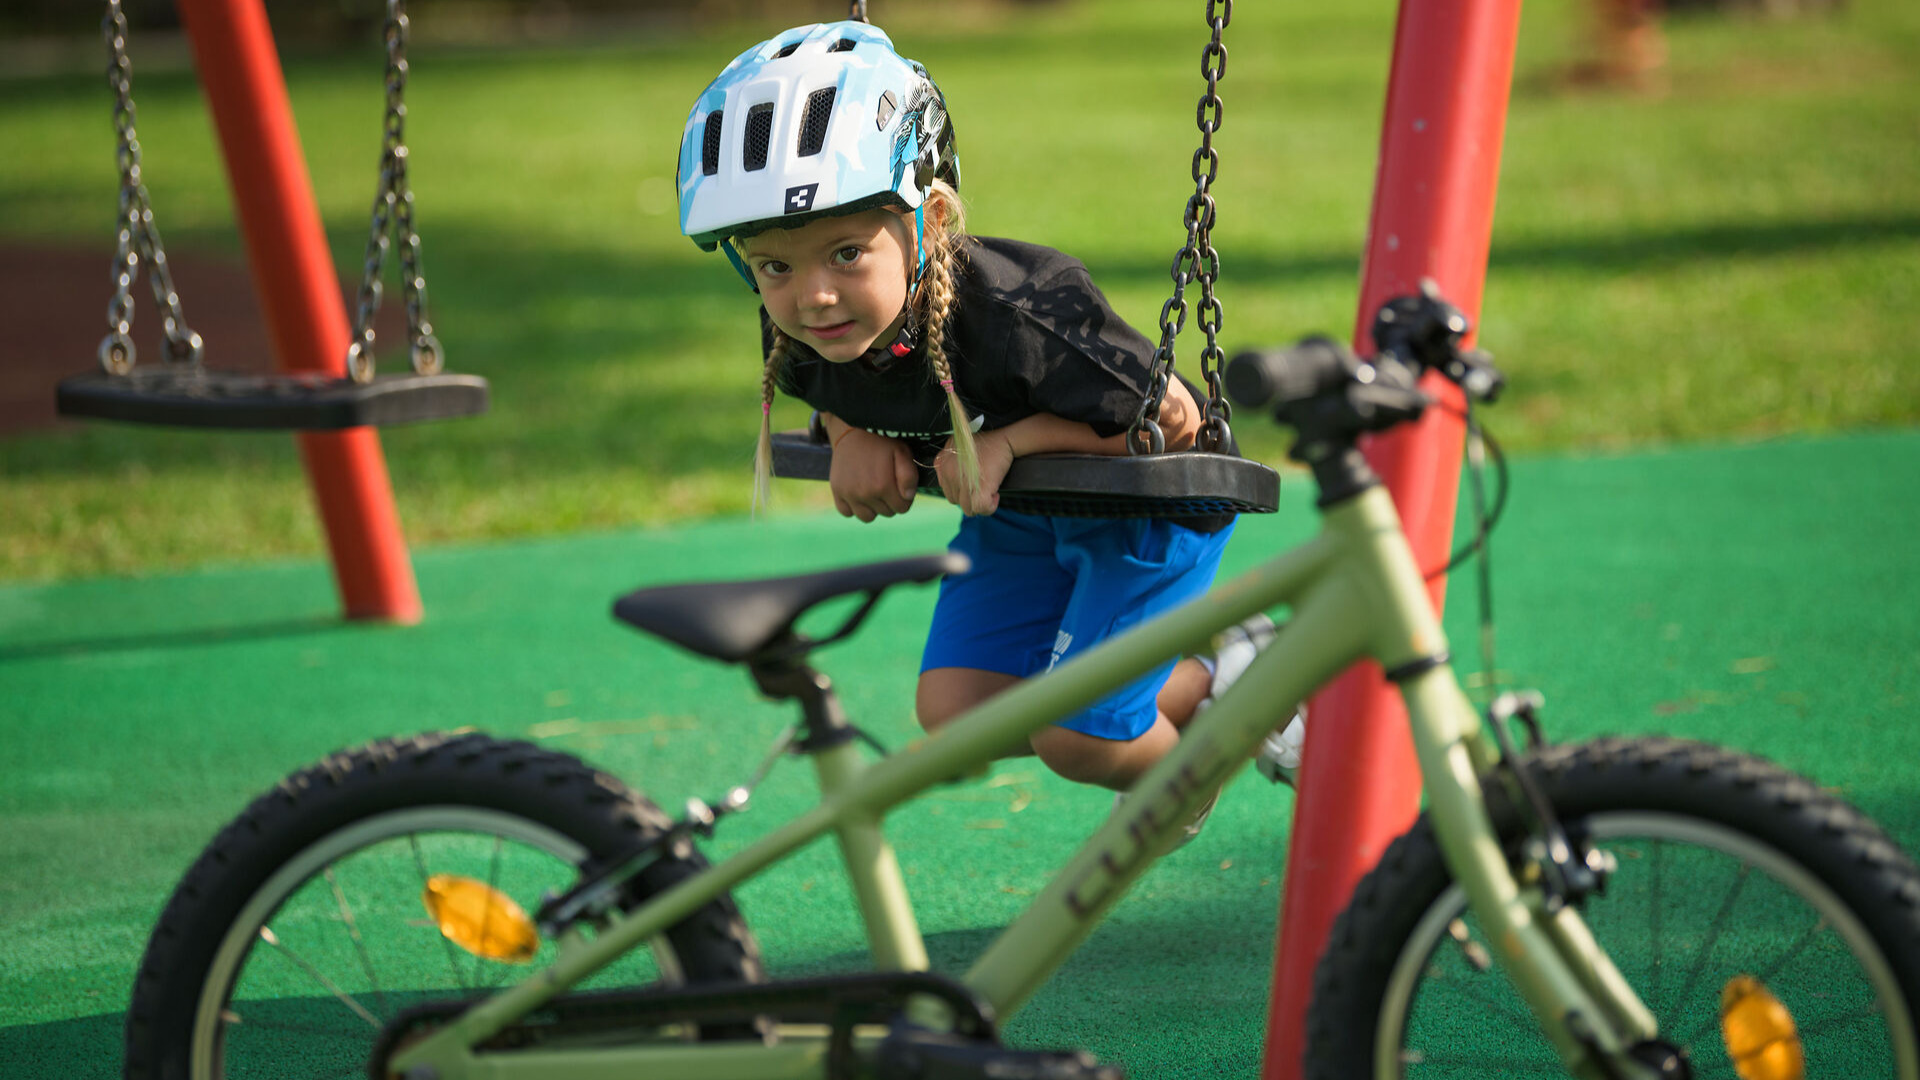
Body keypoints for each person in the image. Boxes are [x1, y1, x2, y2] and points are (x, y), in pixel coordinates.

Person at [676, 20, 1295, 834]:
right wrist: (850, 434)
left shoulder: (1023, 313)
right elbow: (835, 390)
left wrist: (1009, 442)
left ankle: (1192, 764)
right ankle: (1225, 678)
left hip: (1146, 508)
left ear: (929, 219)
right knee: (958, 710)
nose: (812, 297)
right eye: (774, 266)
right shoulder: (800, 332)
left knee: (1079, 736)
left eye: (846, 254)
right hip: (1026, 510)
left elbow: (1174, 422)